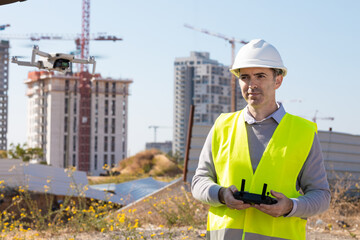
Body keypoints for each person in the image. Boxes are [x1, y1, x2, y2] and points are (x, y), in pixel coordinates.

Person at [191, 39, 330, 240]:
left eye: (260, 76)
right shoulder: (222, 126)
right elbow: (199, 182)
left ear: (278, 80)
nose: (252, 84)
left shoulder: (304, 132)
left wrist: (290, 206)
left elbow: (321, 195)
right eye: (245, 77)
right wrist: (221, 195)